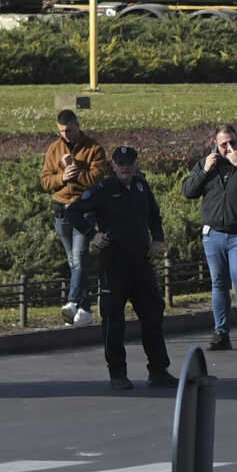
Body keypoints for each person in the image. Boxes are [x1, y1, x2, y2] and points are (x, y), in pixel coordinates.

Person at [69, 144, 175, 391]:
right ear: (113, 165)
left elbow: (154, 214)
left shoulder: (141, 186)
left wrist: (157, 237)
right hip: (113, 263)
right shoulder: (103, 189)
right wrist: (92, 234)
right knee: (113, 320)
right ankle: (117, 373)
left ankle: (159, 371)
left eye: (129, 163)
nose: (125, 167)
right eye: (120, 163)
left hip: (141, 262)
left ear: (136, 164)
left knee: (152, 315)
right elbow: (73, 212)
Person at [181, 123, 237, 351]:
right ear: (215, 145)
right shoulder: (207, 163)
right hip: (214, 234)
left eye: (232, 142)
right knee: (218, 282)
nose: (229, 147)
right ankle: (221, 332)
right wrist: (204, 171)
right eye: (223, 144)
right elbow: (188, 191)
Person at [42, 109, 109, 324]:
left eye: (69, 130)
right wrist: (62, 176)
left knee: (80, 257)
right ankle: (86, 311)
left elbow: (98, 179)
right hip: (61, 211)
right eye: (61, 131)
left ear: (77, 125)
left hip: (84, 211)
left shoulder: (94, 148)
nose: (65, 135)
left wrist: (76, 171)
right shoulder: (54, 148)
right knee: (73, 261)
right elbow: (45, 181)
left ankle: (72, 302)